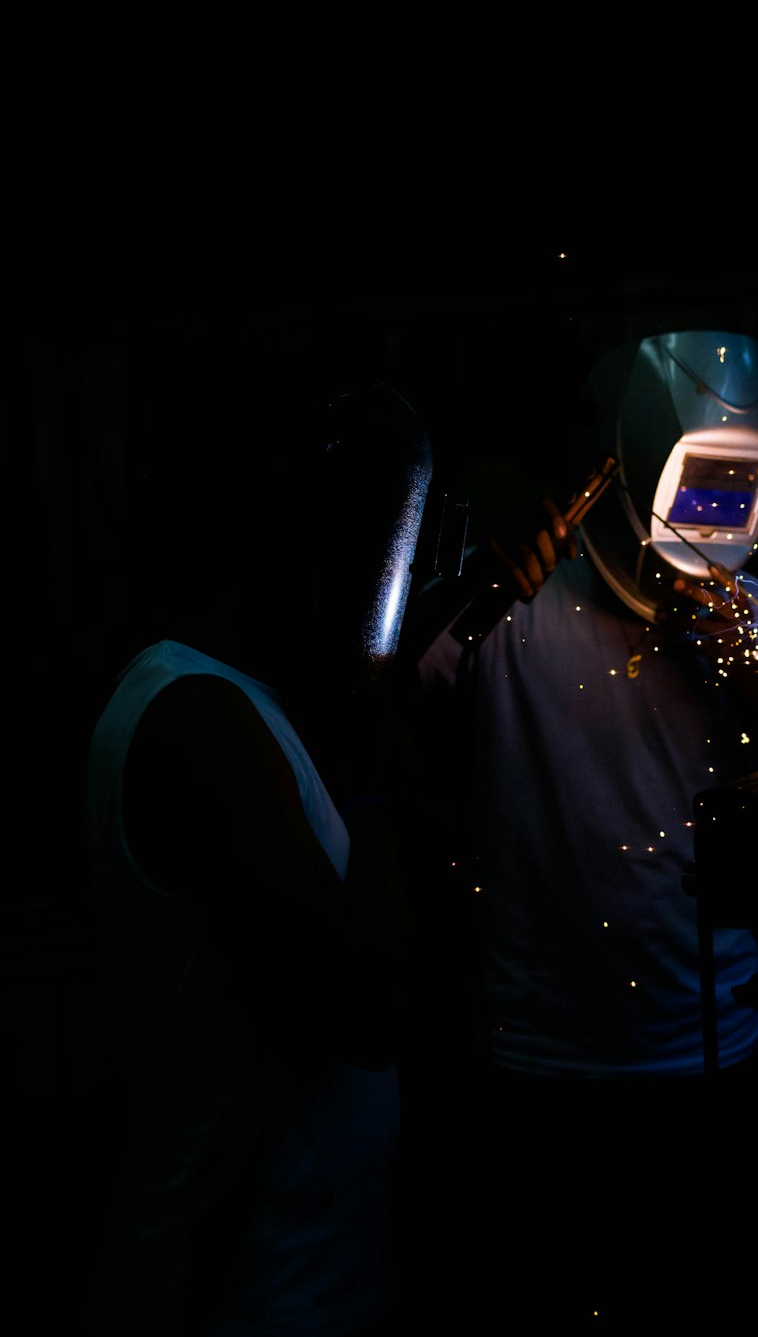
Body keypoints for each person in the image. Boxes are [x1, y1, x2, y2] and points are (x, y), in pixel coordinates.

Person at [394, 331, 758, 1331]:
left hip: (718, 1061)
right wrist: (475, 583)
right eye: (695, 486)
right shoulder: (509, 615)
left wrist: (751, 685)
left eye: (734, 491)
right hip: (545, 1075)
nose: (712, 523)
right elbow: (376, 720)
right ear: (629, 469)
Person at [84, 372, 433, 1337]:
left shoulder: (246, 701)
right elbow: (365, 1012)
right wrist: (378, 764)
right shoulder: (202, 721)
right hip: (250, 1296)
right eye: (375, 553)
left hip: (310, 1273)